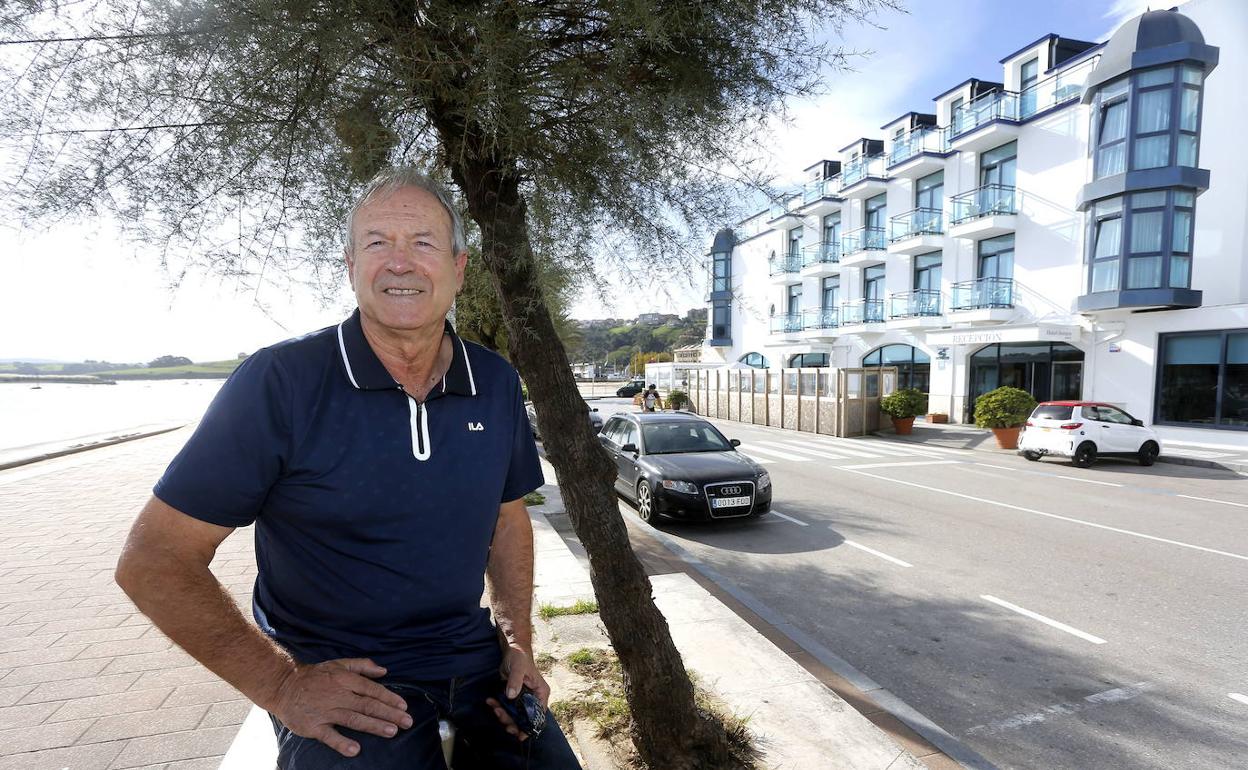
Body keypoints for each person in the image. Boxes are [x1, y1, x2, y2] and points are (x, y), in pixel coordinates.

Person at [115, 168, 582, 770]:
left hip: (473, 660)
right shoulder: (280, 382)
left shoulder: (493, 381)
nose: (400, 262)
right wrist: (280, 686)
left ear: (459, 268)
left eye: (423, 243)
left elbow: (506, 518)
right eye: (377, 242)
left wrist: (518, 639)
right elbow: (152, 559)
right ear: (350, 265)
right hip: (341, 673)